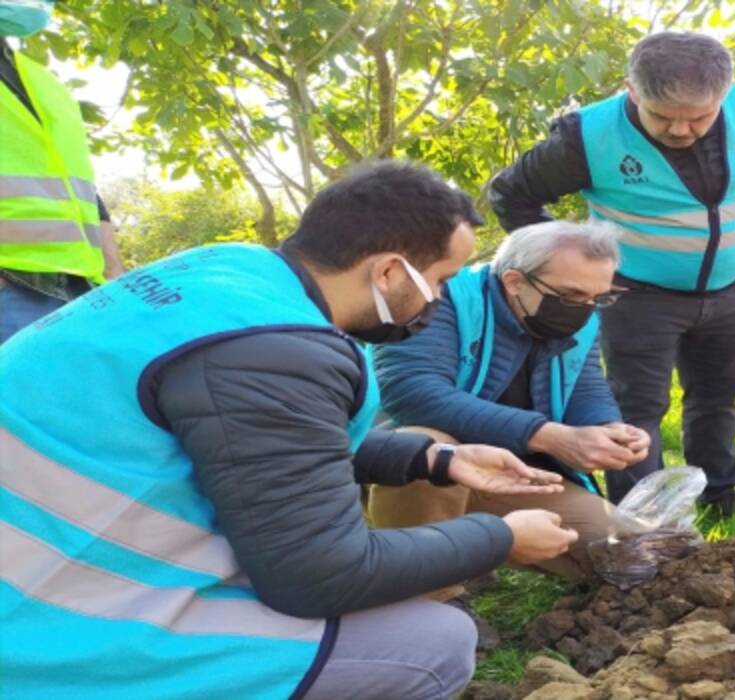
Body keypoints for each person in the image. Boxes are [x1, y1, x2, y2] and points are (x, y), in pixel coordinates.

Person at [0, 161, 582, 699]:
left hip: (39, 567)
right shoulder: (275, 351)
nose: (441, 298)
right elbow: (317, 578)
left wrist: (432, 460)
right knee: (433, 644)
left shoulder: (229, 278)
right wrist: (501, 538)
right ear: (388, 270)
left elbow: (250, 445)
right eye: (441, 279)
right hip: (47, 628)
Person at [489, 31, 735, 514]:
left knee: (717, 399)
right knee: (635, 412)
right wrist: (572, 268)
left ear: (724, 96)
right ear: (632, 88)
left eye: (698, 118)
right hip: (637, 297)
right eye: (663, 116)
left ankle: (721, 494)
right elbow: (512, 194)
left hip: (728, 288)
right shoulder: (587, 135)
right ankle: (643, 519)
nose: (682, 131)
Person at [369, 220, 649, 591]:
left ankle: (474, 549)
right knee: (425, 443)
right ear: (515, 281)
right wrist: (547, 436)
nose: (585, 310)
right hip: (400, 462)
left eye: (598, 299)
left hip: (515, 468)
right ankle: (434, 597)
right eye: (571, 296)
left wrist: (608, 428)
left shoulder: (580, 321)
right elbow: (412, 393)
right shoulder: (436, 299)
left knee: (627, 557)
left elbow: (584, 386)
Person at [1, 0, 124, 343]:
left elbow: (81, 187)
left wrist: (113, 270)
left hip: (83, 291)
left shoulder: (46, 84)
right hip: (13, 290)